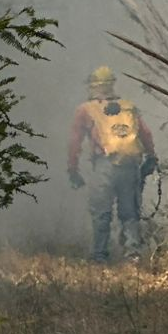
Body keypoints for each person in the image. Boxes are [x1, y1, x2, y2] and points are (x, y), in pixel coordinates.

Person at [68, 66, 157, 262]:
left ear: (93, 86)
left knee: (101, 212)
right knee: (130, 212)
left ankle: (100, 256)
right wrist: (151, 157)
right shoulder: (128, 107)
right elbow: (146, 134)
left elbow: (75, 141)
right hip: (130, 165)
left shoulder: (85, 109)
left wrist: (73, 168)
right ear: (112, 85)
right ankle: (133, 255)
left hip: (104, 165)